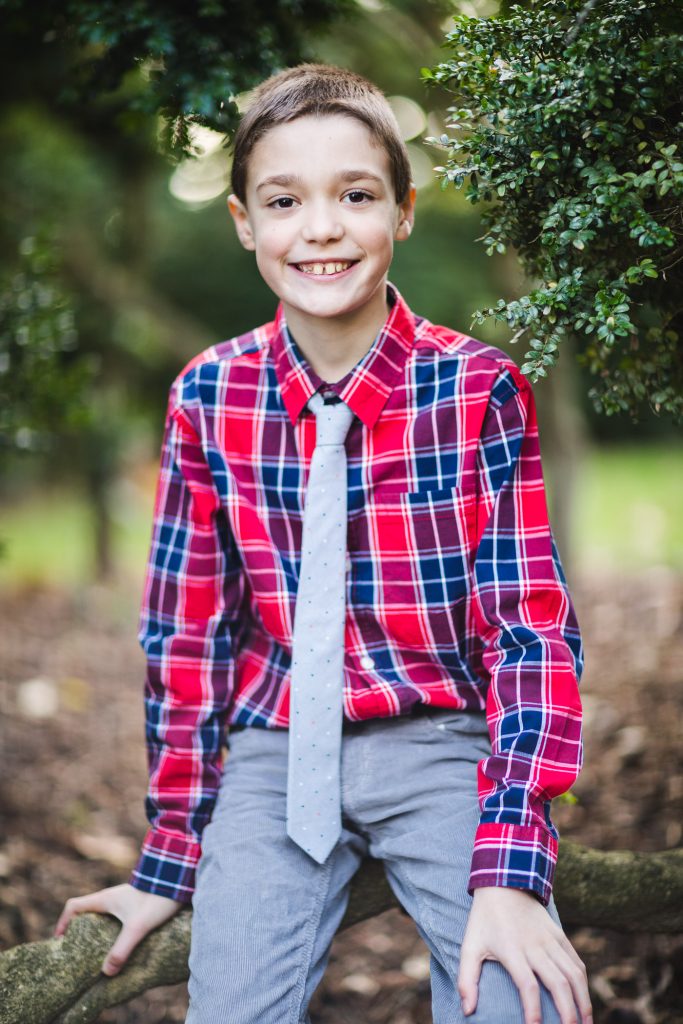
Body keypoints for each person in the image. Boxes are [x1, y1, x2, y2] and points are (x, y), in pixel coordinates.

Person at [55, 63, 591, 1024]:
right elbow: (186, 638)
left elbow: (529, 632)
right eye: (283, 200)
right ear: (242, 224)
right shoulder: (207, 397)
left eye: (355, 194)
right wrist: (172, 855)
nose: (321, 227)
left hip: (438, 742)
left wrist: (511, 865)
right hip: (271, 755)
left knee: (522, 1001)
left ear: (404, 210)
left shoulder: (477, 388)